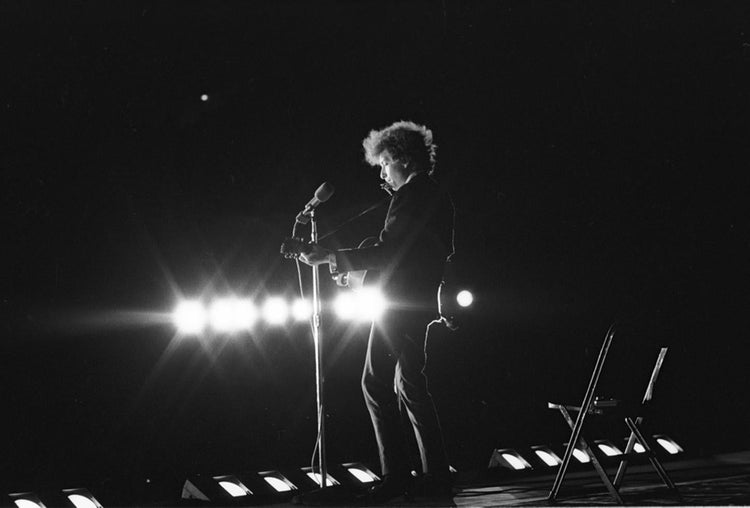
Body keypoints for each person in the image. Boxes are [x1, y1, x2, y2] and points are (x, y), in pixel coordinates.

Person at [298, 120, 455, 503]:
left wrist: (333, 256)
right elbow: (415, 256)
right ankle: (434, 476)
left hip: (399, 309)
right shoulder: (435, 195)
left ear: (401, 158)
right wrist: (352, 272)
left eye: (385, 163)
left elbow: (391, 252)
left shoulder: (412, 196)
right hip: (416, 303)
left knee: (376, 384)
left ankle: (397, 476)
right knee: (411, 386)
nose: (382, 172)